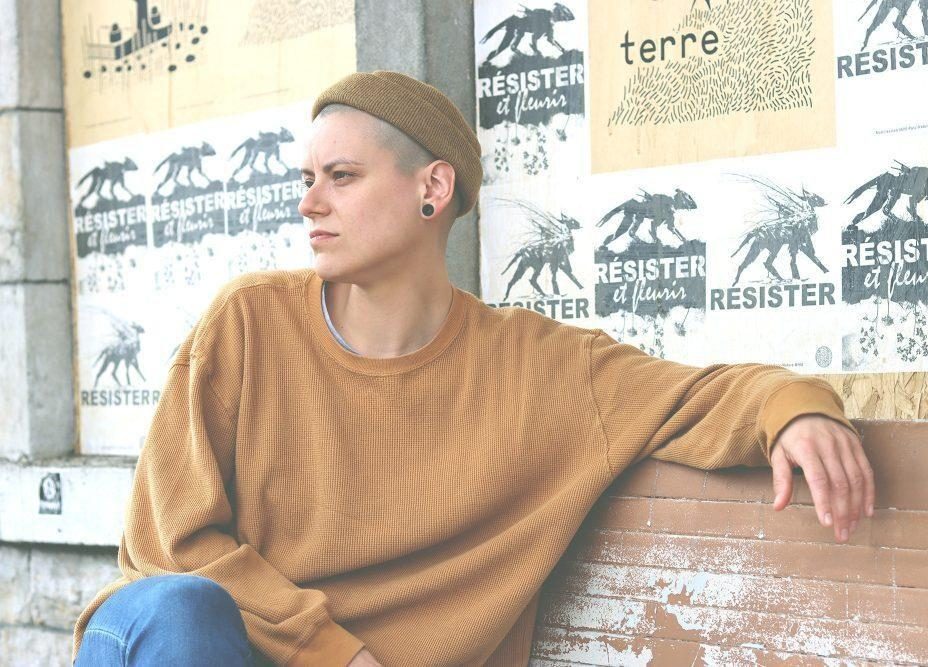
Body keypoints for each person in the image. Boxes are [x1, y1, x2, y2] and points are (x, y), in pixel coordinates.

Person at [72, 70, 874, 666]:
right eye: (307, 180)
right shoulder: (249, 323)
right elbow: (169, 543)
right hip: (196, 647)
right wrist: (334, 653)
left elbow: (699, 395)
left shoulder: (538, 366)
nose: (309, 203)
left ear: (433, 188)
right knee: (182, 611)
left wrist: (796, 410)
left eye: (341, 177)